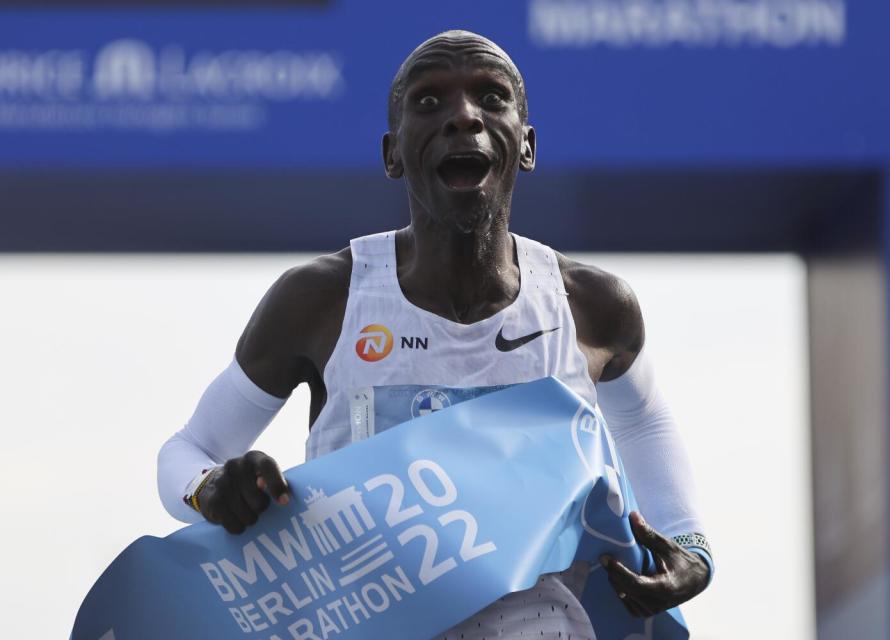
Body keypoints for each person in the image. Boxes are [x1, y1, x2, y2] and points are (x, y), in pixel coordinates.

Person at [158, 30, 712, 639]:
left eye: (492, 98)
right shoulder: (322, 299)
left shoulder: (592, 306)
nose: (463, 118)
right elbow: (186, 452)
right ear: (393, 154)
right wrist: (212, 490)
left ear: (526, 146)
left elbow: (643, 422)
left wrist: (690, 544)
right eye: (428, 103)